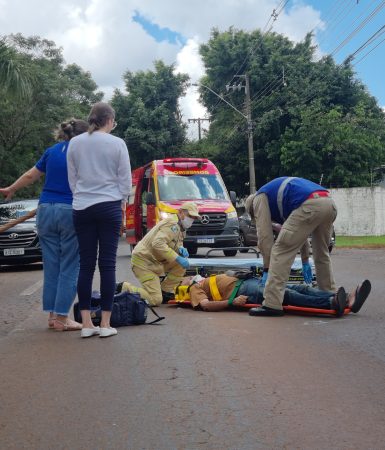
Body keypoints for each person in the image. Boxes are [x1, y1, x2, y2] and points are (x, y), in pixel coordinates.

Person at [0, 119, 89, 331]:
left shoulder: (52, 151)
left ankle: (52, 316)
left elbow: (31, 175)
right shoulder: (82, 153)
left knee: (52, 265)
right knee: (70, 265)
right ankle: (61, 319)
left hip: (45, 210)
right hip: (69, 210)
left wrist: (11, 188)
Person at [67, 102, 131, 338]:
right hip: (109, 206)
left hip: (82, 207)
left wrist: (82, 195)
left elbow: (72, 178)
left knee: (86, 264)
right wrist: (121, 202)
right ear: (109, 120)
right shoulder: (117, 143)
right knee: (107, 264)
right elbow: (124, 180)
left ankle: (86, 324)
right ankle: (105, 323)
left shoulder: (75, 143)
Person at [245, 176, 337, 316]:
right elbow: (300, 235)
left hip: (309, 205)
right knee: (321, 253)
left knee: (280, 251)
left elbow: (265, 238)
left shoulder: (258, 198)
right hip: (328, 203)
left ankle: (272, 304)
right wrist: (305, 260)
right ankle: (329, 294)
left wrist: (267, 268)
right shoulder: (279, 198)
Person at [185, 274, 371, 317]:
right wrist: (232, 302)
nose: (188, 276)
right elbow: (206, 305)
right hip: (243, 292)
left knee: (302, 288)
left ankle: (347, 298)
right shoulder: (194, 288)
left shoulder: (207, 278)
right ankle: (330, 303)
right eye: (185, 277)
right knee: (286, 295)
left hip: (251, 282)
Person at [131, 201, 201, 306]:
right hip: (144, 261)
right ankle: (123, 288)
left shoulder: (181, 228)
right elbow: (158, 244)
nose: (191, 219)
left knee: (181, 265)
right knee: (155, 300)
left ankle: (165, 291)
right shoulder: (172, 224)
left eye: (194, 218)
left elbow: (173, 242)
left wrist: (180, 249)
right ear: (180, 212)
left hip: (155, 261)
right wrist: (177, 257)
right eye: (190, 216)